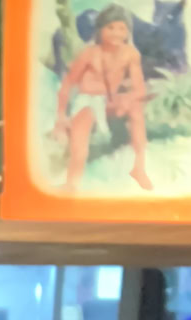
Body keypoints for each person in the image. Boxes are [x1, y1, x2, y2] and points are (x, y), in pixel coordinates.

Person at [53, 3, 152, 193]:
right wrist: (61, 116)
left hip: (110, 102)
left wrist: (127, 99)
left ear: (128, 32)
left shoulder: (130, 54)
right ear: (100, 29)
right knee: (82, 125)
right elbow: (68, 83)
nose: (116, 33)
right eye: (111, 27)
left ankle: (139, 168)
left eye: (121, 28)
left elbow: (139, 89)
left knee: (136, 109)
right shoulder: (90, 53)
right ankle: (72, 182)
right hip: (88, 101)